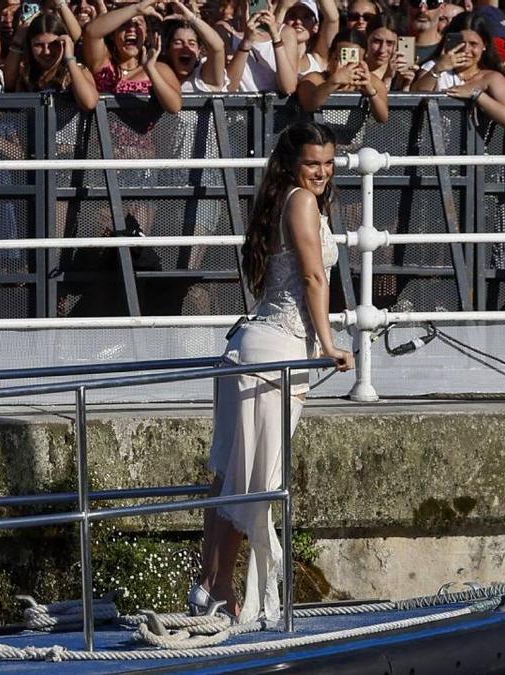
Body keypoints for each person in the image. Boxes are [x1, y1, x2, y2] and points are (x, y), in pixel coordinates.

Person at [193, 121, 353, 624]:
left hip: (256, 348)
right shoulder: (300, 202)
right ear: (292, 163)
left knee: (235, 477)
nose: (322, 172)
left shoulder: (285, 198)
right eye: (312, 163)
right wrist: (328, 344)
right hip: (274, 353)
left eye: (328, 163)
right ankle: (216, 586)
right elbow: (312, 275)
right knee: (253, 480)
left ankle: (210, 585)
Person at [412, 16, 505, 130]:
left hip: (474, 146)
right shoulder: (433, 66)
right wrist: (438, 68)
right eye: (460, 43)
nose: (466, 50)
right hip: (432, 143)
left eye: (473, 44)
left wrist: (477, 95)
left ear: (484, 45)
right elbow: (414, 96)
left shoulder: (492, 78)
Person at [82, 0, 183, 112]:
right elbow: (91, 32)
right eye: (124, 24)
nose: (131, 29)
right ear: (112, 34)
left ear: (146, 33)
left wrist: (150, 70)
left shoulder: (160, 69)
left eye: (138, 23)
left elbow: (174, 107)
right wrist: (137, 8)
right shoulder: (101, 63)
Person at [5, 11, 99, 108]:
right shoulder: (24, 73)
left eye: (53, 44)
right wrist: (18, 40)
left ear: (65, 43)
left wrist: (70, 59)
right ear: (30, 45)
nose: (46, 51)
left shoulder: (76, 71)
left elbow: (89, 103)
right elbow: (8, 84)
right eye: (39, 45)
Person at [298, 28, 389, 122]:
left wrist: (371, 93)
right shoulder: (315, 79)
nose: (347, 66)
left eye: (354, 61)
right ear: (330, 56)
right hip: (320, 134)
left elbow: (383, 118)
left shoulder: (372, 82)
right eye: (340, 59)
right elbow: (309, 104)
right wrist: (333, 82)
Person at [159, 0, 228, 92]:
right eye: (178, 43)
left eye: (192, 43)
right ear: (168, 49)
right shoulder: (159, 75)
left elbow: (217, 48)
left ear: (199, 50)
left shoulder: (203, 76)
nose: (185, 47)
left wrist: (192, 18)